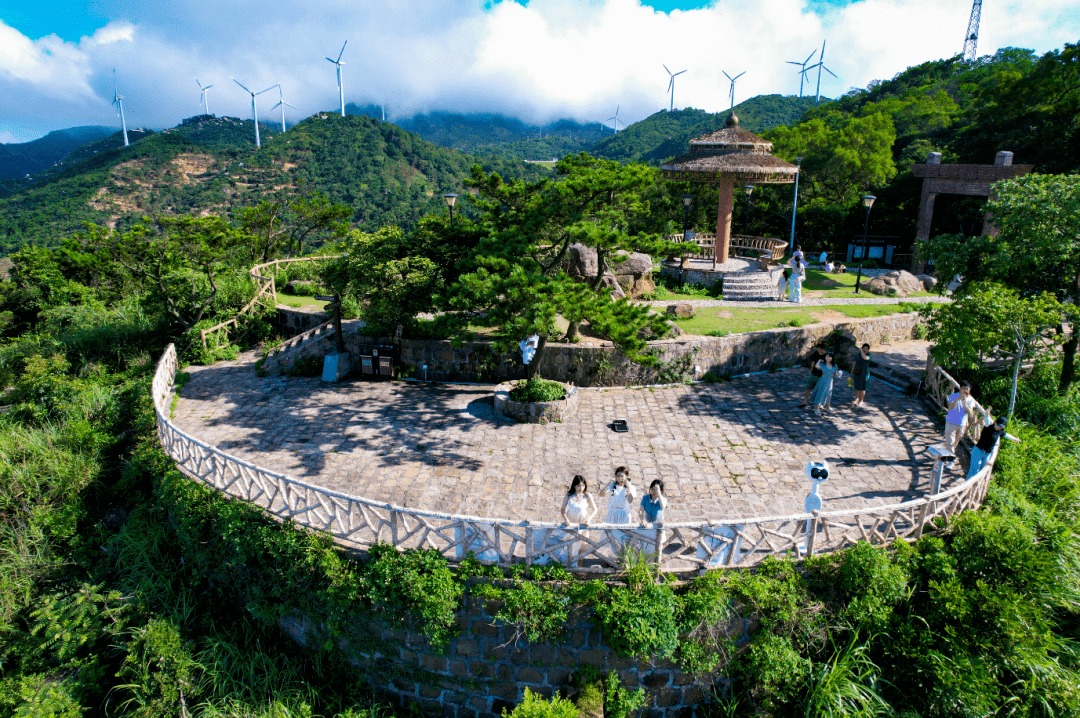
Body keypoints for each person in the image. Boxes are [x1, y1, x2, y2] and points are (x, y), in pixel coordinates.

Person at [966, 412, 1021, 478]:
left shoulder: (1000, 431)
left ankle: (976, 486)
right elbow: (987, 421)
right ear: (995, 422)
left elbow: (1007, 435)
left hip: (987, 454)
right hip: (978, 450)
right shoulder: (988, 427)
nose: (999, 427)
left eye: (1001, 427)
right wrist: (986, 415)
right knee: (974, 470)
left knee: (982, 471)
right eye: (998, 425)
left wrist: (1015, 439)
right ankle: (968, 484)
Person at [944, 380, 983, 454]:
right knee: (950, 443)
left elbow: (970, 412)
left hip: (962, 424)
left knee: (955, 444)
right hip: (951, 422)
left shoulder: (970, 399)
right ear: (961, 388)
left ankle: (948, 457)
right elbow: (949, 408)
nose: (966, 391)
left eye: (968, 389)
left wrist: (964, 402)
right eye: (964, 388)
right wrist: (957, 399)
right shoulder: (953, 396)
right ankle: (952, 461)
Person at [851, 343, 871, 407]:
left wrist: (861, 351)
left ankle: (861, 400)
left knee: (863, 388)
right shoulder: (858, 355)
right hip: (857, 373)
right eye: (864, 348)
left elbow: (865, 358)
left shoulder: (869, 355)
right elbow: (854, 363)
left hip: (865, 374)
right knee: (856, 387)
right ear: (862, 349)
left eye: (866, 349)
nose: (865, 350)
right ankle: (856, 398)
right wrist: (851, 372)